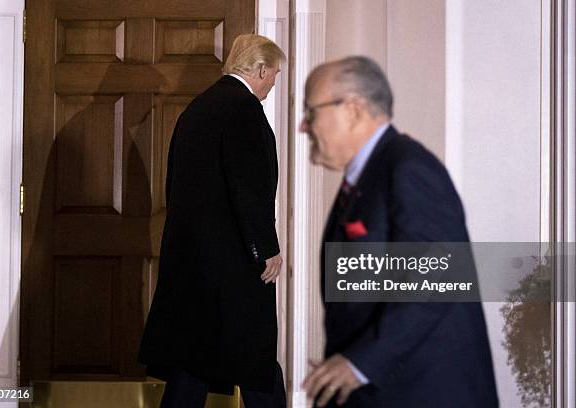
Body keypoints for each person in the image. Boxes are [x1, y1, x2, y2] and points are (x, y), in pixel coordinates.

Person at [300, 56, 498, 408]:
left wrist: (359, 364)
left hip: (427, 393)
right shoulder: (370, 174)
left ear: (354, 109)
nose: (303, 126)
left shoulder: (408, 167)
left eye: (311, 112)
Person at [138, 34, 287, 408]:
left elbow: (178, 185)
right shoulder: (244, 110)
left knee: (195, 356)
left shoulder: (198, 108)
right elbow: (249, 188)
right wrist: (265, 248)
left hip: (193, 258)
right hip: (233, 259)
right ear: (260, 69)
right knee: (255, 355)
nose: (273, 83)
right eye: (274, 74)